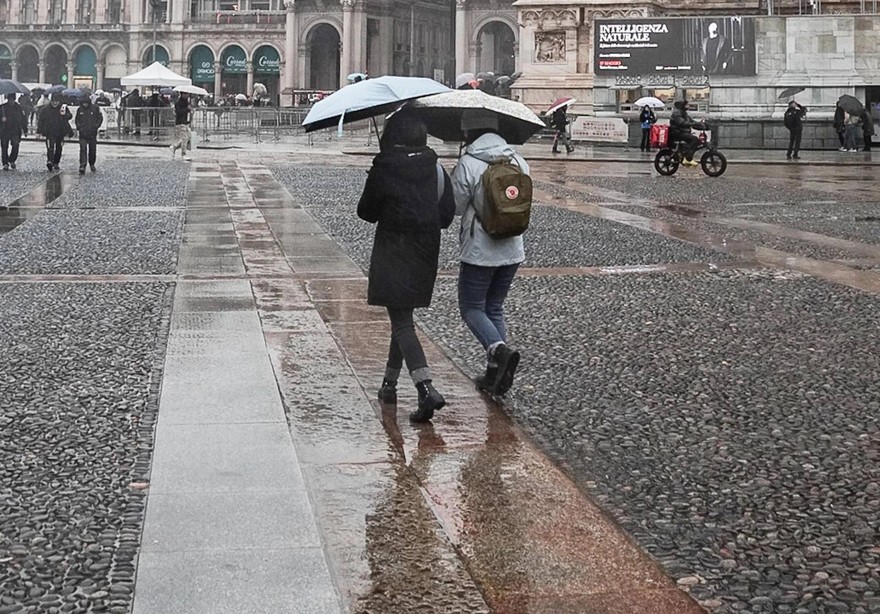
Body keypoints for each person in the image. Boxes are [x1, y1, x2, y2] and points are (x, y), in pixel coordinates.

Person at [356, 110, 455, 423]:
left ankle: (425, 388)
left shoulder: (385, 167)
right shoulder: (436, 168)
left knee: (401, 321)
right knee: (403, 318)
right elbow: (447, 215)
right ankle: (389, 383)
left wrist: (377, 183)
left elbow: (366, 212)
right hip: (425, 251)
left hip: (394, 250)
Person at [450, 110, 528, 397]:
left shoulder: (469, 162)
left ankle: (498, 351)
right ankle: (495, 373)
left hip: (480, 250)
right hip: (513, 247)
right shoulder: (518, 160)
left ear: (470, 132)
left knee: (472, 308)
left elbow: (456, 206)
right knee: (494, 307)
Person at [37, 93, 73, 171]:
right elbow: (41, 120)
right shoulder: (45, 109)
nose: (55, 103)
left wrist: (64, 115)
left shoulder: (63, 108)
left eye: (56, 101)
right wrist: (39, 131)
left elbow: (69, 116)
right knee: (50, 147)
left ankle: (56, 162)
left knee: (59, 148)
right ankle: (50, 161)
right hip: (49, 132)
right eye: (53, 101)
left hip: (60, 132)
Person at [669, 99, 703, 166]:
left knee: (698, 141)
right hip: (677, 133)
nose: (688, 106)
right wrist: (692, 124)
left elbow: (692, 121)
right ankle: (687, 158)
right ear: (682, 106)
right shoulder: (676, 113)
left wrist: (701, 124)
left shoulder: (684, 113)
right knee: (694, 139)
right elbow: (682, 123)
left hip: (683, 132)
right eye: (686, 105)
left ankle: (684, 152)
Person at [75, 96, 103, 174]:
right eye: (84, 103)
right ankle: (82, 165)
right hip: (83, 133)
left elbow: (100, 118)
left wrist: (96, 126)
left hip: (92, 133)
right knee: (83, 149)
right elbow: (77, 119)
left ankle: (92, 163)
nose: (85, 105)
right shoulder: (80, 109)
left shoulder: (95, 108)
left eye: (86, 103)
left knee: (92, 150)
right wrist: (79, 127)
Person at [1, 93, 27, 171]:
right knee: (4, 147)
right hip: (4, 130)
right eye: (10, 99)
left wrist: (25, 129)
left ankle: (12, 159)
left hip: (15, 130)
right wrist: (2, 119)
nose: (11, 101)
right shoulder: (2, 108)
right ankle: (5, 163)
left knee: (15, 145)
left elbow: (23, 119)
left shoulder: (18, 108)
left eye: (12, 99)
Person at [169, 92, 192, 160]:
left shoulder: (187, 102)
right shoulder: (178, 103)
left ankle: (174, 147)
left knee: (187, 138)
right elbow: (178, 112)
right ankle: (183, 154)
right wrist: (187, 109)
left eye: (187, 94)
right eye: (185, 94)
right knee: (184, 138)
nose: (187, 95)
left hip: (186, 122)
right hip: (180, 123)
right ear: (182, 94)